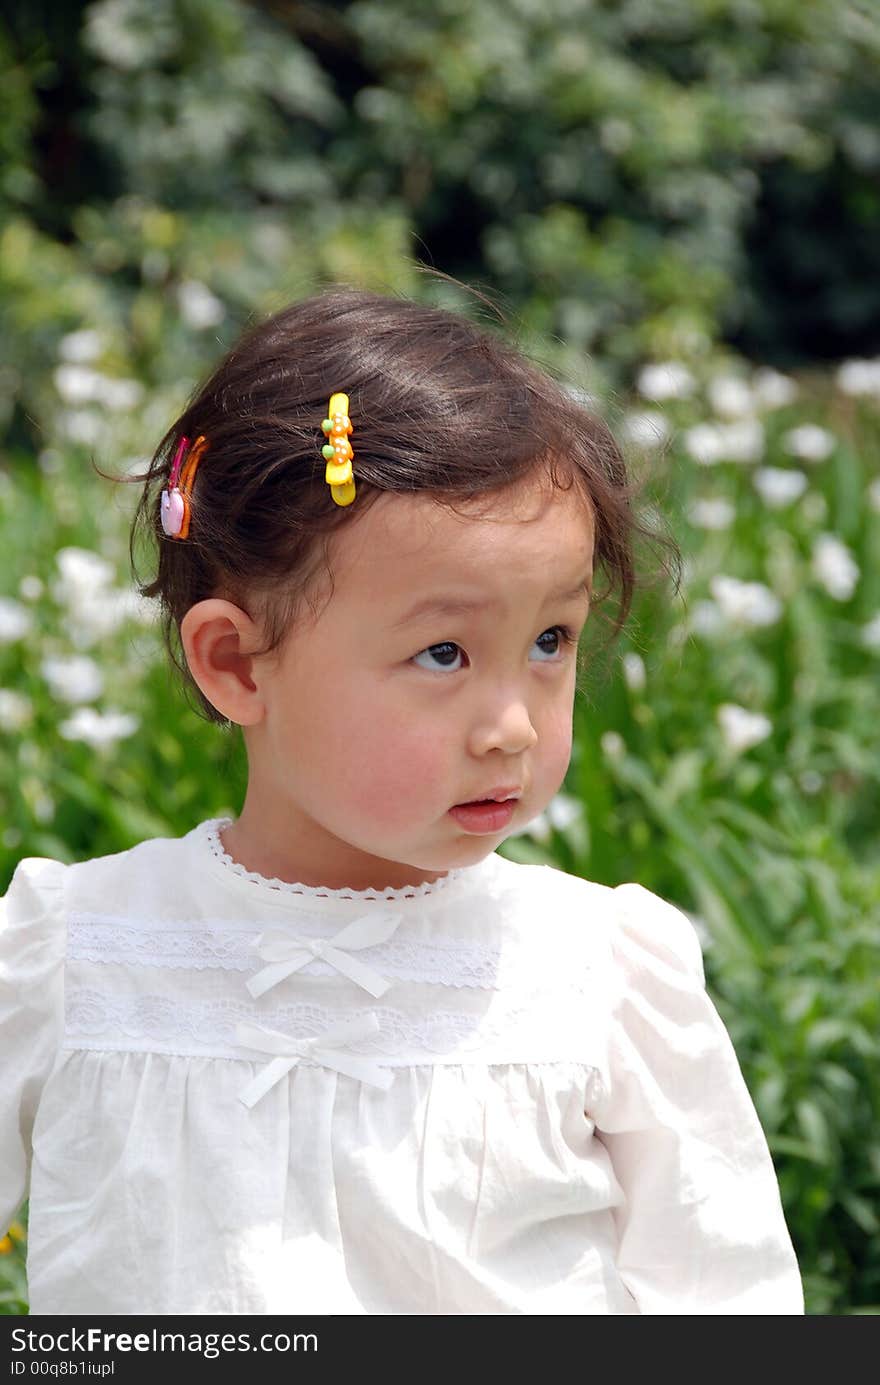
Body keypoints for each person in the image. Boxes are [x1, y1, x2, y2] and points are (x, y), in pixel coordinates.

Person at [0, 284, 803, 1315]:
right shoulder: (77, 954)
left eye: (549, 640)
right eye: (442, 652)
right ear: (238, 663)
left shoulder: (595, 972)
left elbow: (723, 1296)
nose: (511, 722)